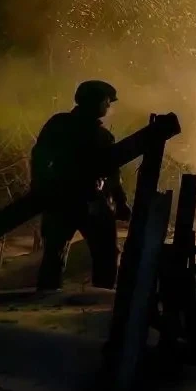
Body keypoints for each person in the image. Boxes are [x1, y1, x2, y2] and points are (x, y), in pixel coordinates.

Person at [31, 80, 131, 290]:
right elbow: (112, 173)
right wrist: (120, 202)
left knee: (55, 253)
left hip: (62, 199)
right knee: (105, 254)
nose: (109, 105)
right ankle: (100, 296)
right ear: (95, 101)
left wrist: (40, 186)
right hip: (86, 200)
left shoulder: (59, 124)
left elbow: (39, 156)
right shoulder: (100, 135)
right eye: (106, 101)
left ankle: (48, 295)